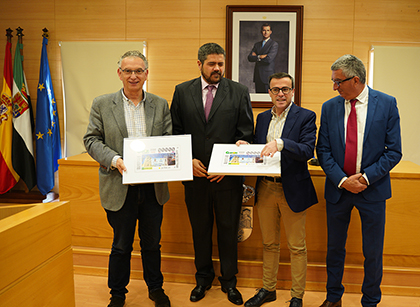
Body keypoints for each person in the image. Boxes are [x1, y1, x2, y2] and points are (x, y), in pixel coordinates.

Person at [83, 50, 172, 307]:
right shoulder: (102, 103)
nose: (134, 76)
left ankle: (156, 289)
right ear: (119, 73)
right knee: (121, 244)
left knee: (152, 243)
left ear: (146, 73)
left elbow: (168, 140)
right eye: (128, 71)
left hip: (153, 189)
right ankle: (118, 295)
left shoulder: (160, 104)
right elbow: (91, 140)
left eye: (139, 70)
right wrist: (115, 160)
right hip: (119, 186)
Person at [170, 42, 254, 305]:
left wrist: (226, 167)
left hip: (227, 180)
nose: (217, 68)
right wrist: (188, 160)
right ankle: (203, 279)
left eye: (220, 64)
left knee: (229, 231)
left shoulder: (239, 92)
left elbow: (245, 135)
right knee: (200, 230)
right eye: (211, 64)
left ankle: (229, 282)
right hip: (194, 177)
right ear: (199, 64)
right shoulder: (182, 92)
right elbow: (175, 132)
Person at [316, 54, 402, 307]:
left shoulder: (386, 104)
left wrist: (365, 178)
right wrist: (343, 180)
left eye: (338, 81)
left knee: (372, 252)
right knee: (334, 250)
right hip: (338, 190)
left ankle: (371, 301)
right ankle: (333, 298)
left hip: (372, 191)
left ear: (356, 80)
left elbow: (394, 151)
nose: (334, 86)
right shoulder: (330, 107)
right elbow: (323, 150)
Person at [238, 72, 318, 307]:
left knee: (297, 246)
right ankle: (268, 289)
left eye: (285, 89)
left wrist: (281, 143)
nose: (280, 93)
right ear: (270, 92)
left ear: (293, 91)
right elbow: (260, 150)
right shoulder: (262, 118)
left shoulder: (306, 116)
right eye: (275, 89)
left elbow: (306, 150)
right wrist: (247, 146)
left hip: (293, 188)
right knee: (269, 244)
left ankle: (297, 296)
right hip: (266, 188)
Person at [248, 23, 279, 93]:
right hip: (258, 76)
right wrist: (260, 56)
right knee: (258, 98)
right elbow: (250, 58)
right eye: (264, 30)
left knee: (267, 99)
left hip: (267, 76)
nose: (265, 32)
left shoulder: (274, 44)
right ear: (261, 32)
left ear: (270, 32)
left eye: (267, 30)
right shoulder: (257, 44)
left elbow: (268, 59)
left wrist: (256, 56)